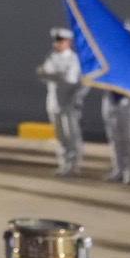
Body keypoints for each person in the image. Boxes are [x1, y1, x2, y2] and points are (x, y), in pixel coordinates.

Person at [37, 28, 86, 176]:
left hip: (69, 103)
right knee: (60, 136)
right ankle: (63, 163)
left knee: (71, 135)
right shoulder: (52, 57)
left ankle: (73, 165)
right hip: (54, 102)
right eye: (55, 40)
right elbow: (44, 74)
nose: (56, 43)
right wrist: (53, 75)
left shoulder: (74, 59)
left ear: (68, 42)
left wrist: (52, 75)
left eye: (60, 40)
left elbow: (70, 79)